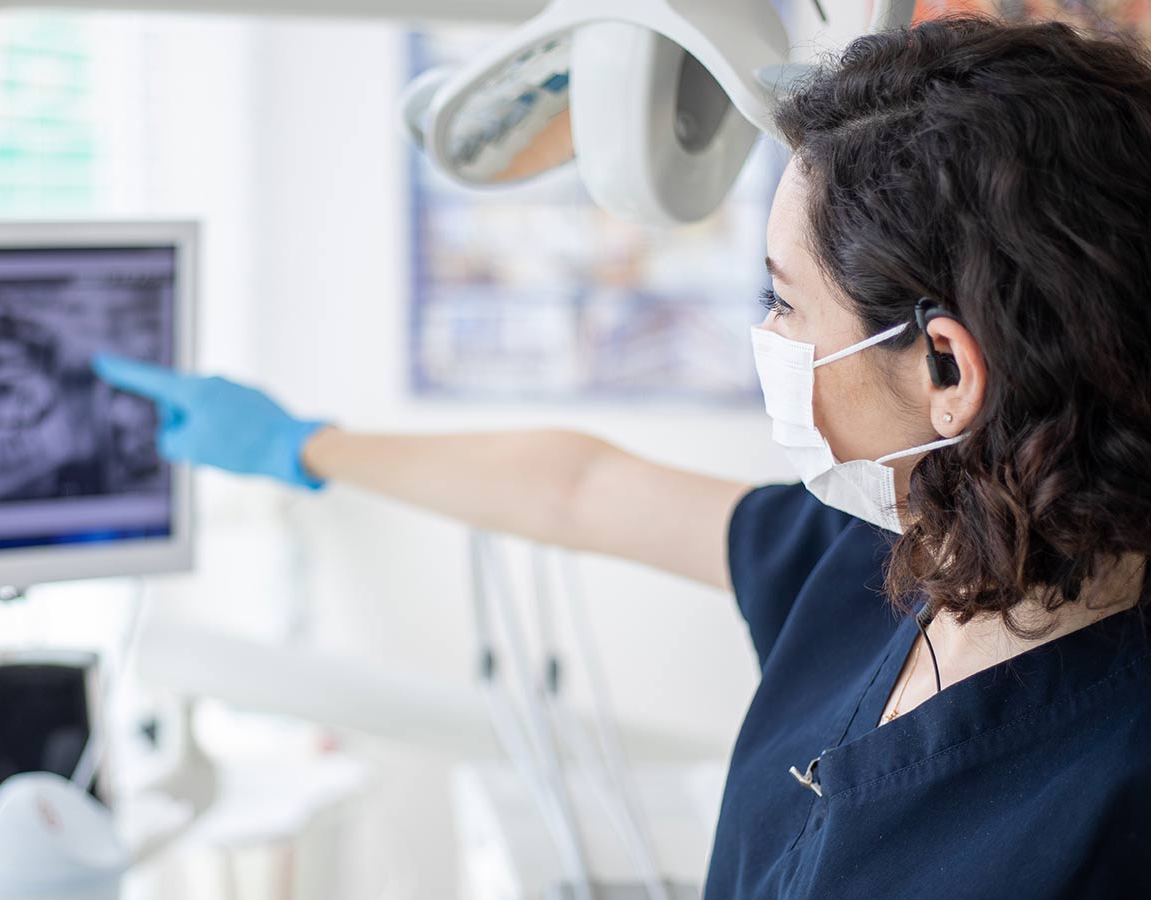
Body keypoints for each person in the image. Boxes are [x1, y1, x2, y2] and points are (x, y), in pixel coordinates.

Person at [95, 16, 1151, 899]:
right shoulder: (887, 554)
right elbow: (579, 487)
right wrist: (300, 446)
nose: (768, 339)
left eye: (780, 299)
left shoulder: (1104, 797)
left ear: (942, 367)